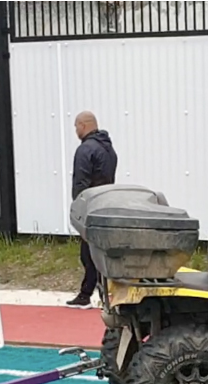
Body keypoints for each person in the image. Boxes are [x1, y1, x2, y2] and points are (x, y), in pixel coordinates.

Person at [67, 111, 118, 307]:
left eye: (76, 126)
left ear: (83, 125)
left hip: (90, 207)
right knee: (98, 252)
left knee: (88, 254)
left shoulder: (85, 150)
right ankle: (98, 293)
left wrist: (79, 206)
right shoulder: (109, 149)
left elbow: (81, 182)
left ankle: (86, 295)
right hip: (106, 205)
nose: (75, 131)